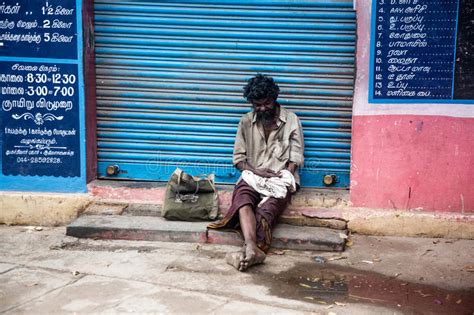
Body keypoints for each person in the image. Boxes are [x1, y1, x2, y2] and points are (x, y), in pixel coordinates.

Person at [208, 74, 304, 271]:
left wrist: (284, 176)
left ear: (274, 98)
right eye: (256, 105)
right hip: (252, 176)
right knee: (243, 200)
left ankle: (243, 253)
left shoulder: (292, 120)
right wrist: (256, 171)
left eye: (266, 103)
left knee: (265, 211)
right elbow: (238, 160)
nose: (261, 108)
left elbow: (295, 156)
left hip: (279, 178)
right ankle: (253, 248)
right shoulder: (245, 122)